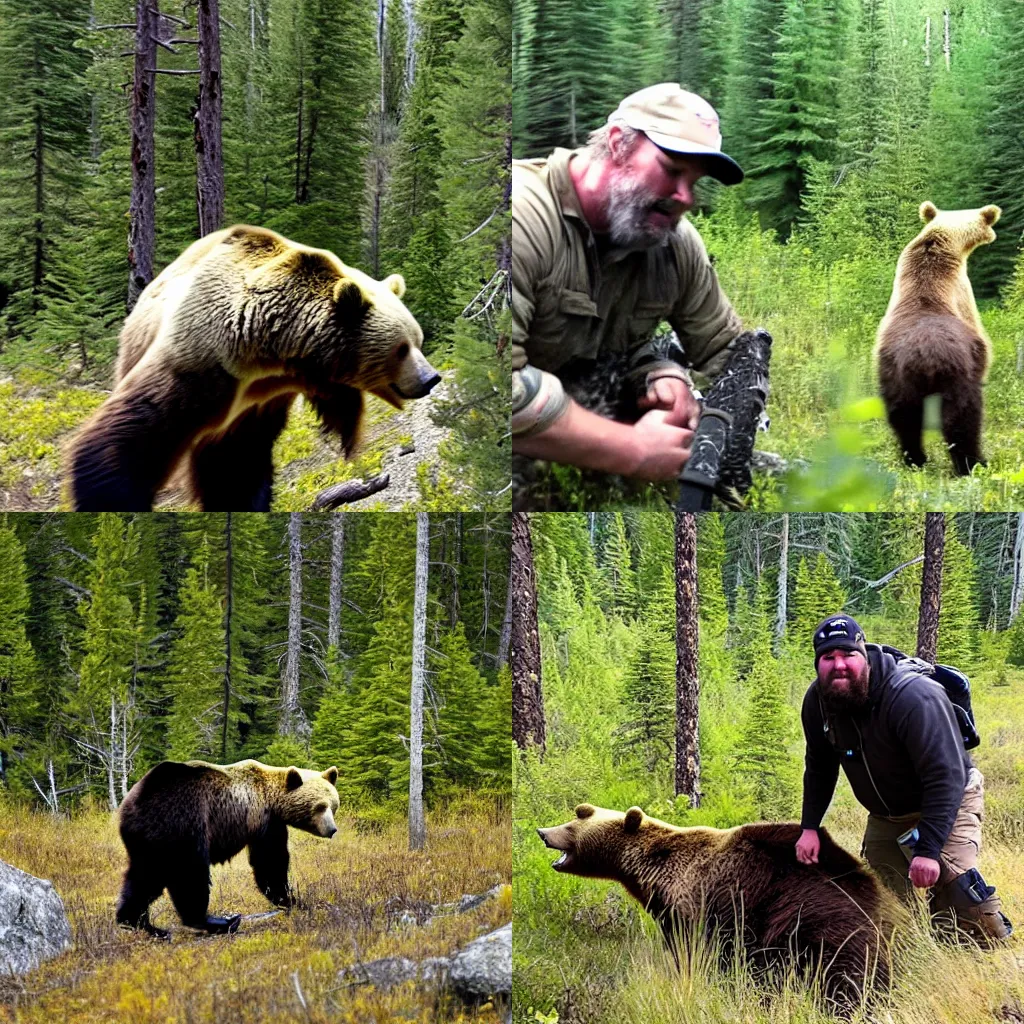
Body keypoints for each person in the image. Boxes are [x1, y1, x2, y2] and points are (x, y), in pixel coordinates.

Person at [511, 84, 754, 504]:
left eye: (696, 181)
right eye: (672, 169)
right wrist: (634, 451)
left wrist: (670, 381)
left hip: (590, 422)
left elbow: (731, 356)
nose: (686, 198)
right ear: (619, 144)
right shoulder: (521, 216)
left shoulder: (672, 245)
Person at [796, 614, 1012, 944]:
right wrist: (810, 827)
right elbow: (820, 765)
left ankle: (983, 946)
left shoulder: (911, 697)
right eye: (828, 657)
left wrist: (927, 851)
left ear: (863, 655)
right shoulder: (819, 702)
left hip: (947, 798)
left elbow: (946, 776)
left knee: (959, 897)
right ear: (817, 663)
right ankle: (918, 956)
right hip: (888, 815)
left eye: (848, 655)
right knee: (886, 904)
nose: (839, 665)